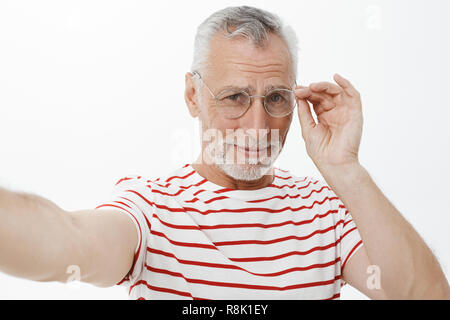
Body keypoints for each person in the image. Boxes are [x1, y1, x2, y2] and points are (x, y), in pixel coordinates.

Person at [0, 5, 448, 300]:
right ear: (194, 95)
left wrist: (346, 171)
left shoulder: (326, 209)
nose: (257, 128)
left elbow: (426, 296)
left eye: (275, 98)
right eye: (234, 97)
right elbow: (67, 243)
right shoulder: (151, 207)